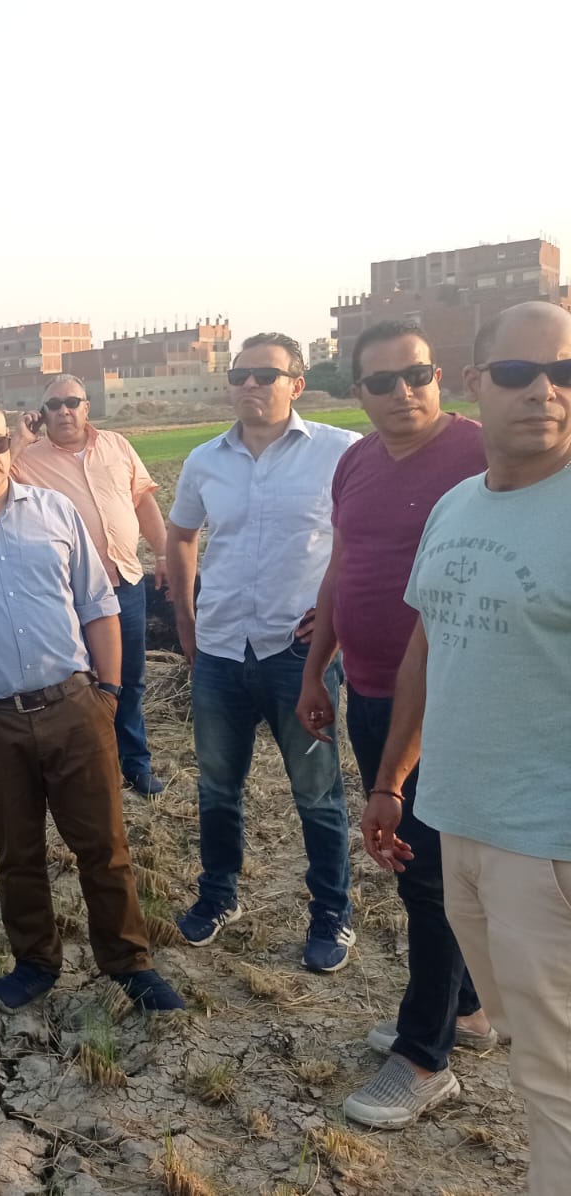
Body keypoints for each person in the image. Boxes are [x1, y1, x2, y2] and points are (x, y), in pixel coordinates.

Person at [0, 397, 184, 1014]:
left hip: (74, 707)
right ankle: (35, 963)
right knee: (17, 853)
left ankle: (129, 962)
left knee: (104, 847)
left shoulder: (56, 512)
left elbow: (98, 605)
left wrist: (108, 693)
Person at [369, 300, 571, 1193]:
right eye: (521, 373)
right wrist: (391, 780)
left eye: (565, 373)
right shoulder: (456, 505)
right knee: (522, 1038)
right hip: (459, 821)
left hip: (548, 843)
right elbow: (429, 642)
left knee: (555, 1076)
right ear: (477, 383)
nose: (545, 392)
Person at [289, 320, 494, 1128]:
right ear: (358, 393)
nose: (404, 392)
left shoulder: (480, 453)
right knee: (420, 869)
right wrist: (318, 669)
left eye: (418, 374)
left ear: (441, 376)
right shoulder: (356, 463)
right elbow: (343, 568)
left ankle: (423, 1058)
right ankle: (466, 1009)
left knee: (431, 878)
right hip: (372, 693)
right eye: (383, 381)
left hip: (453, 701)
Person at [165, 332, 361, 972]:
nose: (250, 384)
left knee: (317, 793)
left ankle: (331, 913)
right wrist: (186, 618)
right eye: (240, 374)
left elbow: (367, 537)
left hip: (299, 656)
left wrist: (339, 612)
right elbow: (181, 536)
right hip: (220, 650)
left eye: (265, 375)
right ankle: (219, 895)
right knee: (218, 787)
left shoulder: (340, 452)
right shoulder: (205, 461)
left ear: (296, 385)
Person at [12, 373, 171, 795]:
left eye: (72, 402)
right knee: (77, 684)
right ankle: (88, 767)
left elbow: (142, 501)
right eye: (54, 405)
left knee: (129, 679)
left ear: (86, 407)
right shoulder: (27, 460)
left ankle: (134, 763)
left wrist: (163, 553)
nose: (64, 411)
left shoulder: (117, 446)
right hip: (69, 593)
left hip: (125, 583)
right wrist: (19, 439)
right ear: (42, 414)